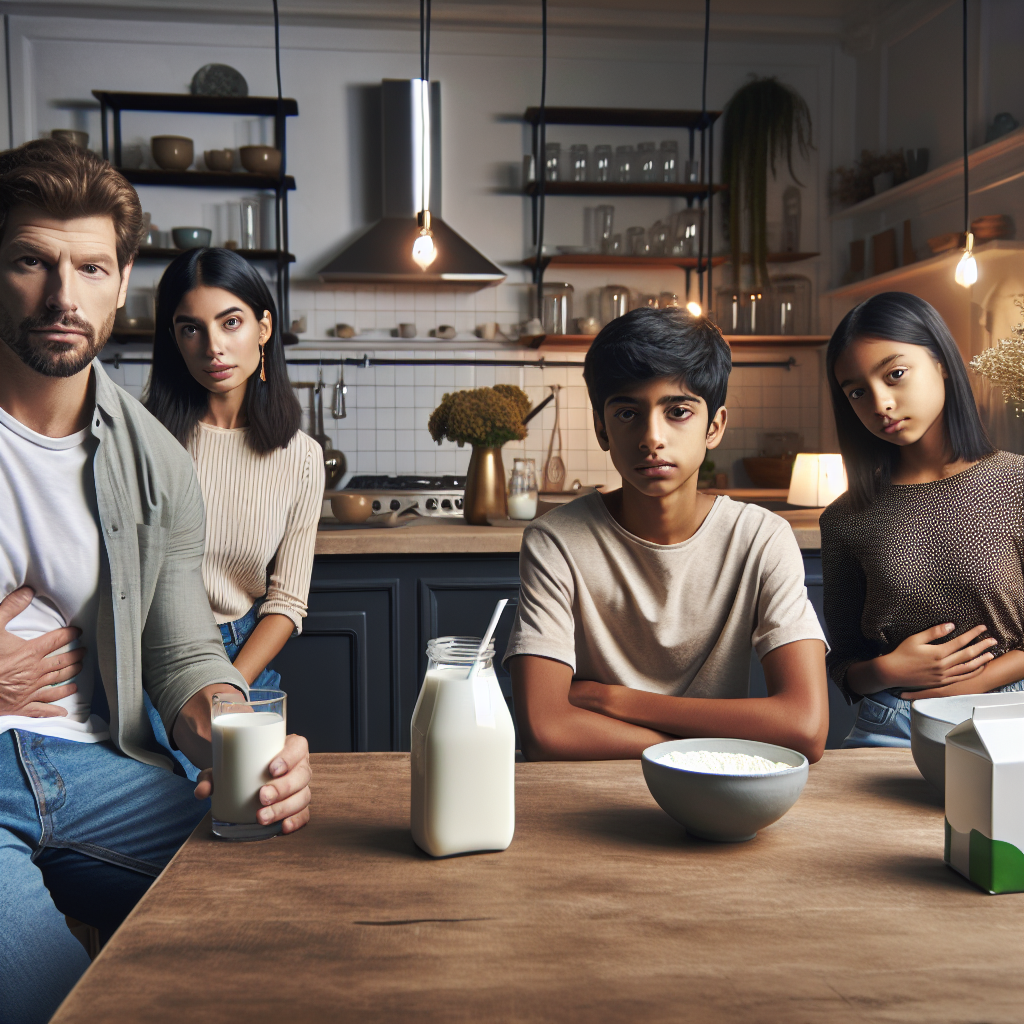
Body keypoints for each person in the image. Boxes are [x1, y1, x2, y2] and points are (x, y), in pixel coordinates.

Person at [0, 138, 311, 1024]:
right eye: (31, 260)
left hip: (98, 766)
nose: (64, 297)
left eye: (91, 267)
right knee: (49, 995)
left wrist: (239, 744)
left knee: (294, 915)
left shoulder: (152, 460)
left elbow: (180, 647)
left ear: (123, 278)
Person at [505, 308, 829, 762]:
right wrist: (696, 750)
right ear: (602, 428)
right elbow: (544, 729)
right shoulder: (555, 540)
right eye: (627, 413)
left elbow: (805, 726)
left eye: (678, 411)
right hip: (596, 791)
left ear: (713, 427)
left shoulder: (762, 538)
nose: (651, 437)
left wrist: (616, 701)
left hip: (716, 793)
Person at [144, 248, 323, 778]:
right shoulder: (144, 439)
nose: (214, 347)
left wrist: (231, 686)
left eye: (231, 322)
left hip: (245, 659)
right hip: (150, 655)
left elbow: (287, 600)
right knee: (172, 821)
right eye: (191, 329)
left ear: (264, 327)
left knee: (244, 815)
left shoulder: (302, 457)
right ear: (174, 340)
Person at [820, 291, 1024, 747]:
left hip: (1011, 716)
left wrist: (972, 684)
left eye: (895, 375)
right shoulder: (846, 517)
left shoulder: (1016, 483)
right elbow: (844, 664)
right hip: (893, 722)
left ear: (942, 362)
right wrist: (884, 670)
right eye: (856, 391)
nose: (880, 402)